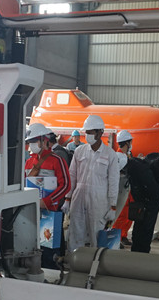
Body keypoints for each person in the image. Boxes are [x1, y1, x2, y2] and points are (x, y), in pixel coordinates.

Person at [65, 115, 120, 251]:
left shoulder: (110, 154)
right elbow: (72, 175)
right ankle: (74, 259)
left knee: (97, 233)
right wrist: (67, 198)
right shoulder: (79, 151)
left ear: (100, 132)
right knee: (75, 231)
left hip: (99, 199)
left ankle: (96, 261)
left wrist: (113, 206)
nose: (87, 135)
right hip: (79, 197)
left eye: (90, 132)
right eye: (86, 132)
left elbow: (113, 181)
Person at [25, 123, 70, 269]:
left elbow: (66, 185)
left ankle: (52, 274)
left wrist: (47, 201)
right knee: (33, 247)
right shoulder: (29, 162)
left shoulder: (57, 160)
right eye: (30, 142)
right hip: (31, 213)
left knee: (50, 250)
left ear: (43, 140)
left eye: (34, 141)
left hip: (51, 213)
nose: (31, 145)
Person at [119, 137, 159, 253]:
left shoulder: (138, 170)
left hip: (151, 201)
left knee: (146, 229)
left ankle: (142, 254)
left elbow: (150, 188)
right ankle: (136, 251)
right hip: (143, 200)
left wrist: (144, 204)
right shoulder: (132, 165)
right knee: (138, 228)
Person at [112, 130, 135, 247]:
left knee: (127, 215)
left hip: (127, 190)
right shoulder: (119, 157)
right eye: (130, 142)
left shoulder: (127, 155)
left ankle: (123, 235)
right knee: (119, 215)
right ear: (126, 143)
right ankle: (116, 238)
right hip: (120, 190)